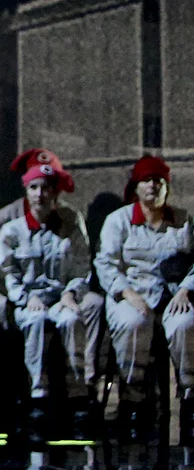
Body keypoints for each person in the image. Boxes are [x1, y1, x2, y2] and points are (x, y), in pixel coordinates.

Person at [0, 160, 101, 428]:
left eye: (46, 188)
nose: (40, 194)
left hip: (60, 297)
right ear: (26, 191)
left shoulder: (70, 225)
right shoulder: (12, 231)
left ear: (55, 193)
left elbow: (81, 266)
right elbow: (6, 273)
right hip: (28, 300)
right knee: (36, 321)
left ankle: (78, 392)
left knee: (71, 320)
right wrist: (25, 297)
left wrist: (71, 293)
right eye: (34, 188)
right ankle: (38, 394)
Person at [95, 156, 192, 431]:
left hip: (173, 295)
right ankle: (134, 397)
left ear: (167, 187)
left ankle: (189, 396)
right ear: (136, 187)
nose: (153, 186)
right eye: (146, 180)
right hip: (131, 293)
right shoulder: (118, 221)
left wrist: (186, 289)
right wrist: (128, 293)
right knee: (133, 322)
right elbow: (105, 264)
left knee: (186, 323)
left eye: (159, 181)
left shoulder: (183, 220)